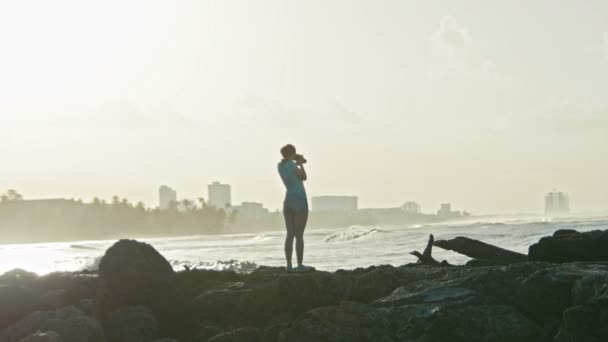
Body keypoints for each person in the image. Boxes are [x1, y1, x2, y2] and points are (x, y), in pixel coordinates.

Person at [277, 144, 312, 272]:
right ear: (293, 153)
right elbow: (303, 177)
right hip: (299, 200)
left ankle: (289, 266)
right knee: (299, 236)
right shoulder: (293, 165)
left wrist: (296, 160)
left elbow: (289, 167)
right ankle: (300, 265)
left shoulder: (280, 166)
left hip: (288, 201)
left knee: (289, 235)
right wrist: (300, 163)